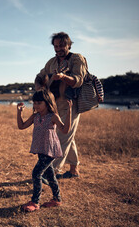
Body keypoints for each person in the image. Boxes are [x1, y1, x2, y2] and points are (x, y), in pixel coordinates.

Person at [35, 32, 87, 179]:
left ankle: (50, 172)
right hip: (55, 105)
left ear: (68, 45)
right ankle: (74, 170)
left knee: (61, 137)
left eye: (62, 45)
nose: (58, 49)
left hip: (71, 104)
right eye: (56, 46)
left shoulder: (77, 59)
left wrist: (63, 77)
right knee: (68, 136)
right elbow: (40, 76)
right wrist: (40, 88)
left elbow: (78, 80)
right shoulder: (51, 62)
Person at [17, 89, 72, 212]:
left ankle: (35, 202)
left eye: (39, 103)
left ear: (47, 103)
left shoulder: (53, 116)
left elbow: (65, 130)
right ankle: (57, 199)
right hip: (41, 149)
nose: (35, 106)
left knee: (36, 174)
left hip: (50, 150)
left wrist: (69, 112)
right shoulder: (35, 116)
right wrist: (19, 112)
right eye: (34, 103)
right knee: (50, 176)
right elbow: (21, 126)